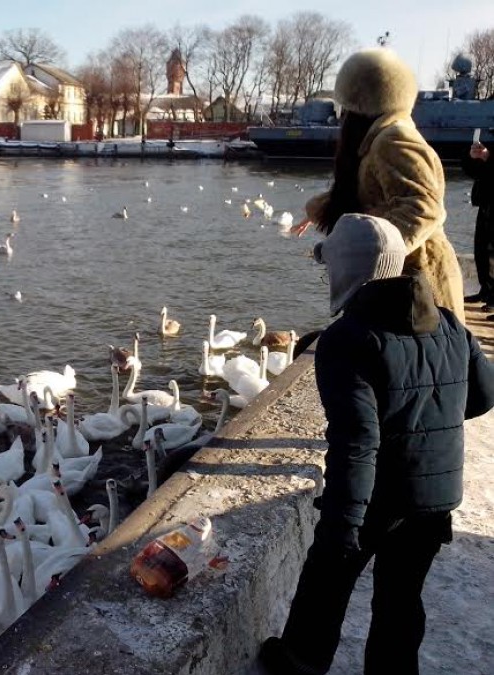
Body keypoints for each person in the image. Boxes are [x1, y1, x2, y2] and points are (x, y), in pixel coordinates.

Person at [259, 213, 494, 675]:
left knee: (326, 581)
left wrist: (341, 527)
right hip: (434, 500)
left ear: (348, 267)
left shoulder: (346, 340)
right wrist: (430, 414)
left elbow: (356, 446)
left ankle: (299, 663)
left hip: (377, 498)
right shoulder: (448, 322)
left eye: (331, 266)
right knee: (401, 599)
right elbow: (483, 396)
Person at [293, 48, 465, 324]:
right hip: (403, 284)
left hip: (417, 285)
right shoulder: (379, 139)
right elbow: (372, 192)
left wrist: (374, 258)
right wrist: (321, 209)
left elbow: (424, 209)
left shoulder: (393, 140)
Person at [461, 139, 494, 319]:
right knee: (481, 249)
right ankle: (486, 290)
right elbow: (474, 172)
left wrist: (488, 156)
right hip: (487, 201)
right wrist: (472, 158)